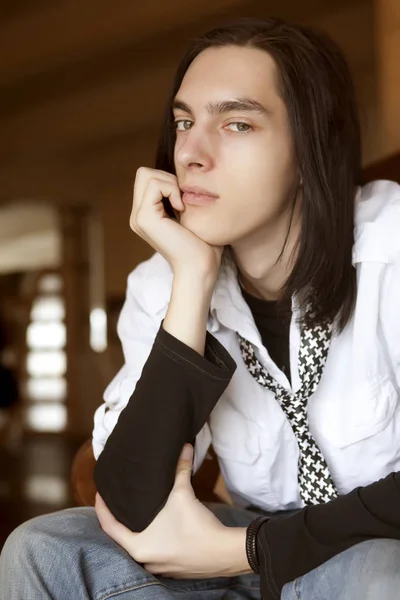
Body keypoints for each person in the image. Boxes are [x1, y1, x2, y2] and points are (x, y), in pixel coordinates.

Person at [1, 16, 400, 600]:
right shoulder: (161, 281)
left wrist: (252, 548)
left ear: (312, 144)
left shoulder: (391, 246)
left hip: (370, 546)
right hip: (240, 554)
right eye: (184, 122)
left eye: (237, 123)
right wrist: (192, 279)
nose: (189, 152)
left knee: (379, 577)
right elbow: (134, 503)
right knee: (43, 550)